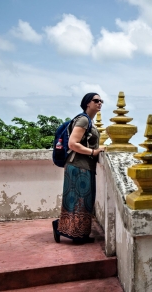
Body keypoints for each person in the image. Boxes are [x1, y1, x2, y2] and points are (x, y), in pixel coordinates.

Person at [52, 92, 106, 243]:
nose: (99, 103)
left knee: (79, 202)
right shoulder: (83, 120)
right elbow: (73, 144)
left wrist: (98, 148)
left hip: (81, 166)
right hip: (78, 167)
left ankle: (72, 232)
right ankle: (75, 235)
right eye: (96, 100)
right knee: (80, 202)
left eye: (101, 101)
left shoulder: (87, 120)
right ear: (88, 103)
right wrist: (93, 152)